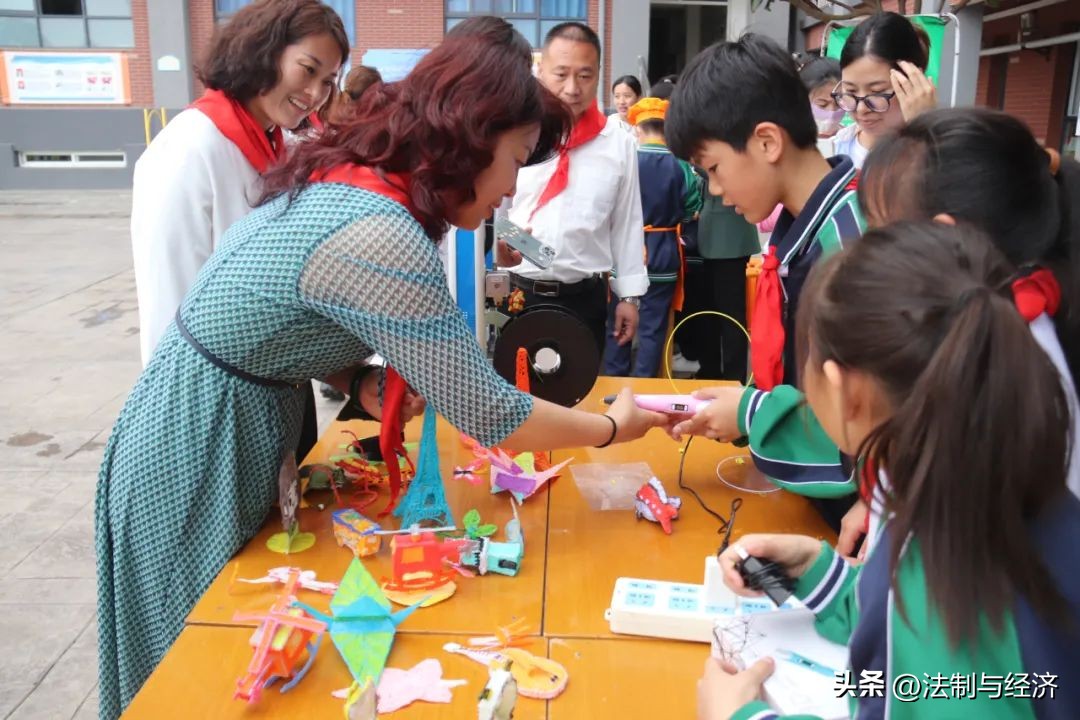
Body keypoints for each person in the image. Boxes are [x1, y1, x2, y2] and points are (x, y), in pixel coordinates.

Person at [95, 18, 669, 719]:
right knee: (196, 672)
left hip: (219, 418)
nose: (511, 190)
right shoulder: (379, 229)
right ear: (472, 138)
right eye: (517, 159)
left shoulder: (356, 184)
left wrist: (354, 381)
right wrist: (611, 428)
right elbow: (488, 412)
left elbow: (281, 312)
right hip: (196, 444)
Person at [698, 222, 1080, 720]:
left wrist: (743, 716)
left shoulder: (949, 576)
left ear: (844, 390)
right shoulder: (987, 493)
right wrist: (821, 574)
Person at [676, 108, 1080, 559]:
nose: (867, 250)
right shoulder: (993, 331)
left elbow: (942, 583)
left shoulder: (997, 380)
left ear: (944, 239)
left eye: (882, 234)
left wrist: (754, 416)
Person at [665, 33, 864, 518]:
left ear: (768, 141)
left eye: (714, 168)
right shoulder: (802, 235)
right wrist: (746, 406)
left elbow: (866, 434)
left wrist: (750, 413)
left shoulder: (853, 248)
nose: (715, 189)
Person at [131, 0, 349, 366]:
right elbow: (168, 298)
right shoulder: (189, 149)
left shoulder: (280, 147)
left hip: (269, 374)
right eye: (308, 70)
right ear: (264, 53)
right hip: (207, 381)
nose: (315, 94)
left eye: (327, 82)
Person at [496, 22, 647, 354]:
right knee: (515, 382)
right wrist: (500, 246)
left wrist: (630, 296)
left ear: (599, 75)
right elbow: (495, 210)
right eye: (561, 74)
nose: (572, 88)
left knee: (581, 383)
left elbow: (627, 223)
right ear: (541, 72)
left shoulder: (618, 143)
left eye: (584, 75)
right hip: (519, 291)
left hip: (584, 298)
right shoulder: (516, 132)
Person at [603, 97, 702, 377]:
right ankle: (642, 386)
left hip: (625, 255)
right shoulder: (681, 166)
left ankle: (614, 382)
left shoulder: (627, 161)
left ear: (637, 128)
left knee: (618, 323)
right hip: (663, 252)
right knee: (652, 328)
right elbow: (691, 210)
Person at [831, 12, 937, 169]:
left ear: (913, 81)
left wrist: (923, 127)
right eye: (851, 91)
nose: (861, 109)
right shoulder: (833, 150)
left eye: (877, 92)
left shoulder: (941, 154)